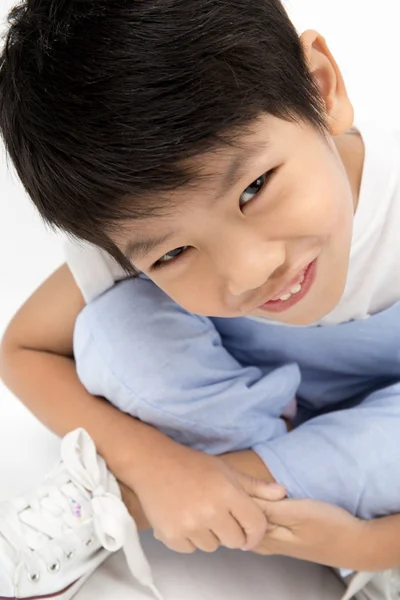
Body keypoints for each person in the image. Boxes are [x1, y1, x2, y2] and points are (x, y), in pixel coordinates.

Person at [0, 0, 400, 599]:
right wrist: (157, 466)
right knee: (115, 332)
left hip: (382, 422)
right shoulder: (132, 223)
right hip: (241, 399)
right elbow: (23, 349)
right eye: (173, 254)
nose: (249, 272)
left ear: (320, 89)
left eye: (255, 188)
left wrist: (356, 544)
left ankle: (114, 502)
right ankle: (311, 483)